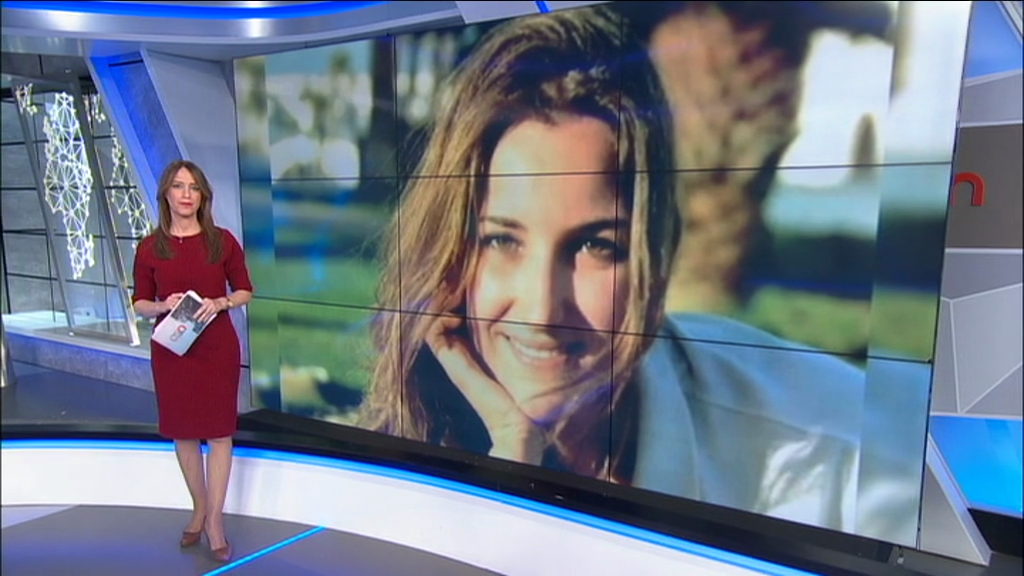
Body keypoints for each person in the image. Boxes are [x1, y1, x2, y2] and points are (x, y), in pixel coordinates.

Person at [358, 6, 919, 543]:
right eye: (501, 240)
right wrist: (513, 456)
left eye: (597, 246)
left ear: (659, 253)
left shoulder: (838, 468)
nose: (541, 310)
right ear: (450, 252)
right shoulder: (401, 446)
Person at [132, 159, 253, 562]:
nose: (186, 194)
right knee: (183, 433)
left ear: (203, 196)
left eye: (194, 187)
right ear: (166, 193)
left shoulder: (222, 242)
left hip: (216, 348)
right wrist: (160, 306)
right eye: (179, 186)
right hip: (173, 351)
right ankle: (198, 509)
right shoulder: (150, 247)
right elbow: (139, 302)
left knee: (219, 434)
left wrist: (222, 302)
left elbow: (245, 290)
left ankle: (215, 521)